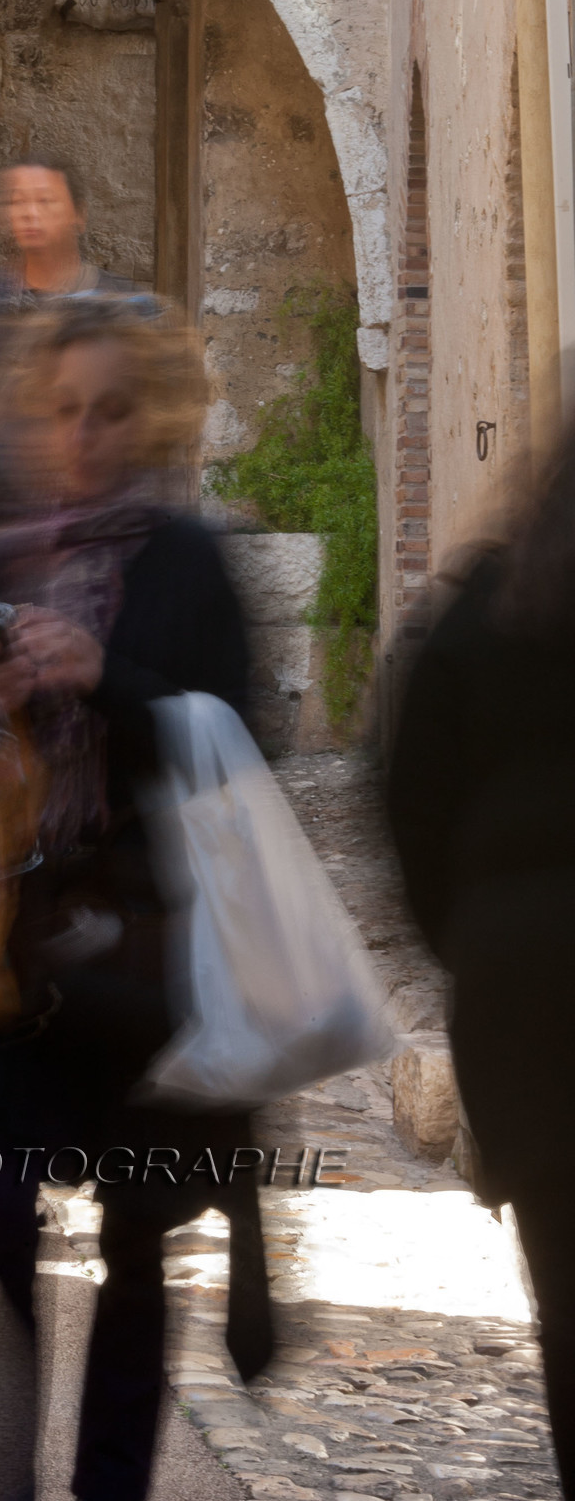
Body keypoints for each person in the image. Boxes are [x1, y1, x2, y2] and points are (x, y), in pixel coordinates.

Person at [0, 298, 266, 1501]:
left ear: (152, 414)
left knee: (135, 1243)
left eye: (112, 408)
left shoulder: (190, 561)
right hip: (18, 959)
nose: (85, 432)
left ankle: (112, 1484)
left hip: (148, 952)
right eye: (64, 407)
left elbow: (234, 747)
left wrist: (104, 674)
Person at [387, 434, 575, 1495]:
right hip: (517, 978)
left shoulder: (481, 608)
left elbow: (411, 805)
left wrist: (470, 944)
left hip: (518, 997)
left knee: (566, 1284)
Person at [0, 157, 150, 521]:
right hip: (9, 515)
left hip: (104, 515)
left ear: (79, 214)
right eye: (17, 201)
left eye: (45, 200)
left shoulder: (125, 307)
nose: (29, 213)